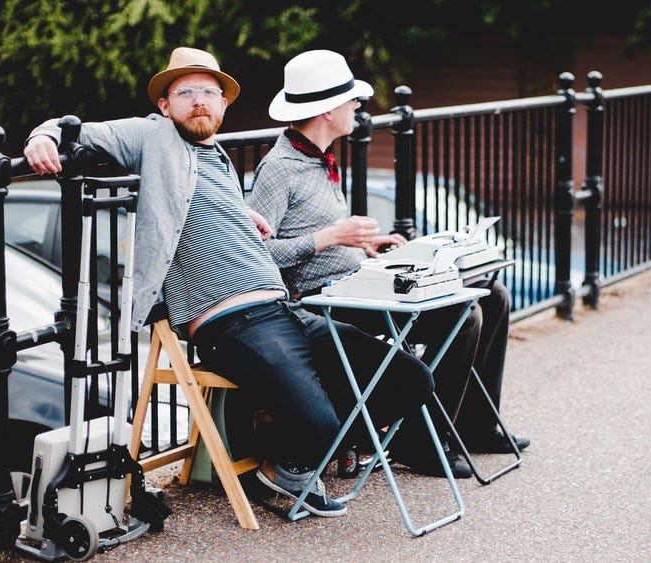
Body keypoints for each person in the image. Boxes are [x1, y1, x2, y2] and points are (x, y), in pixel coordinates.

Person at [23, 47, 435, 517]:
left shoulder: (214, 154)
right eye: (185, 92)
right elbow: (80, 131)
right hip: (230, 321)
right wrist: (43, 137)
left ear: (222, 106)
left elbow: (199, 201)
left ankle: (291, 448)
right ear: (164, 105)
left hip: (287, 310)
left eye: (209, 92)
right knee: (320, 422)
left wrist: (244, 215)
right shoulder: (152, 135)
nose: (198, 100)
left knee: (410, 379)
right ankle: (288, 461)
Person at [248, 49, 530, 479]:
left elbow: (319, 235)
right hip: (319, 303)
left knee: (493, 294)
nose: (358, 107)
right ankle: (419, 442)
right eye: (350, 100)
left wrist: (366, 246)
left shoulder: (317, 160)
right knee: (463, 312)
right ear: (326, 111)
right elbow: (258, 254)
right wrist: (333, 237)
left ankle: (474, 427)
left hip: (354, 282)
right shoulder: (279, 169)